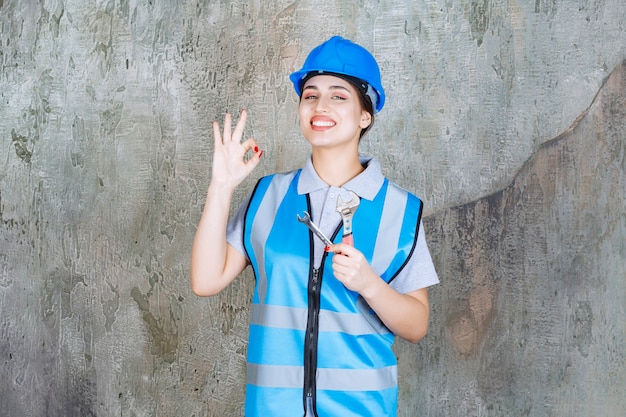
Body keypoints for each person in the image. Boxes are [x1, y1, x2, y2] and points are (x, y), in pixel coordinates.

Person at [190, 35, 439, 417]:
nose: (320, 106)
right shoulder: (267, 195)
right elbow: (205, 281)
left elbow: (417, 324)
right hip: (271, 409)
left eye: (339, 96)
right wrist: (221, 186)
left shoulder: (400, 209)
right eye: (310, 95)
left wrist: (370, 284)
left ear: (365, 115)